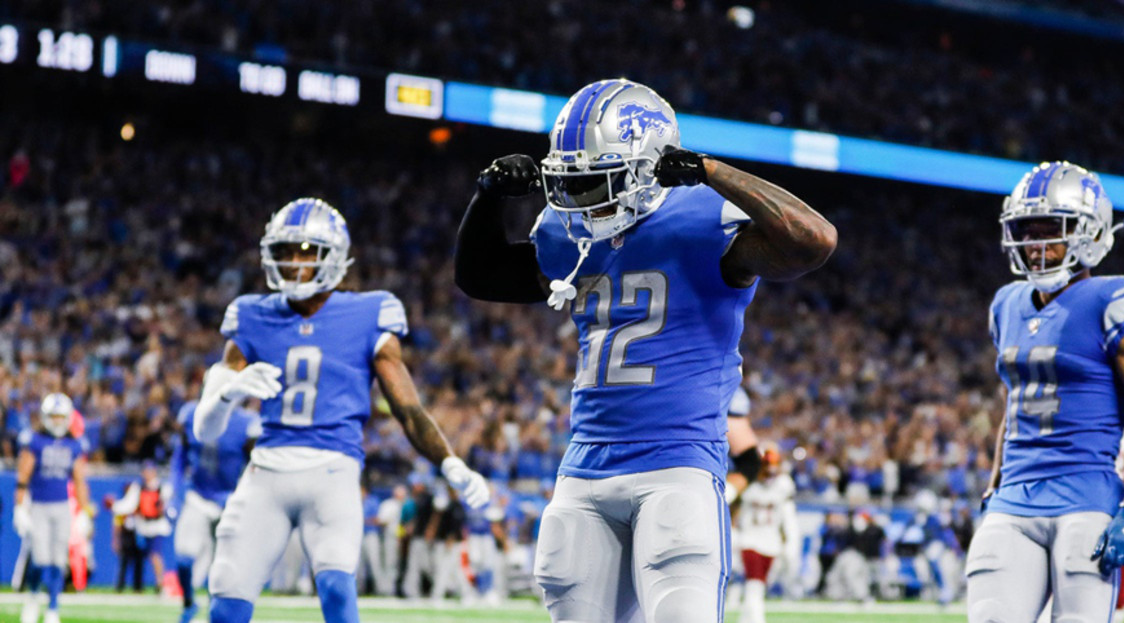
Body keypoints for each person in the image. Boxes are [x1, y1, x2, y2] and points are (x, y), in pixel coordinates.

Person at [455, 78, 836, 622]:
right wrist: (487, 196)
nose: (585, 199)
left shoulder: (702, 221)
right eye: (576, 183)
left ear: (649, 166)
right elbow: (480, 276)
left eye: (601, 181)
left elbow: (812, 241)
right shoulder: (569, 237)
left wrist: (711, 170)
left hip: (676, 467)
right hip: (584, 467)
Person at [192, 197, 488, 623]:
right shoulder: (249, 315)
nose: (295, 263)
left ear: (334, 257)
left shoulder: (369, 312)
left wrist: (450, 463)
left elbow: (408, 409)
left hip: (333, 470)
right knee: (227, 592)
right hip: (266, 472)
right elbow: (206, 430)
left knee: (335, 581)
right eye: (286, 251)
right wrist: (226, 393)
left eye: (308, 251)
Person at [965, 161, 1124, 622]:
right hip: (1015, 499)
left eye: (1052, 231)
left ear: (1090, 235)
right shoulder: (1006, 304)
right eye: (1027, 231)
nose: (1036, 246)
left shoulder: (1115, 299)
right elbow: (1017, 400)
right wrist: (994, 483)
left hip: (1086, 499)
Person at [168, 400, 260, 623]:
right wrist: (175, 489)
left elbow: (255, 462)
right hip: (198, 495)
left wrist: (247, 496)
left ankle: (214, 612)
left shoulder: (246, 422)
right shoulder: (192, 414)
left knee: (222, 566)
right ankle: (189, 602)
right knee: (183, 557)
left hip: (229, 499)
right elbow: (180, 454)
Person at [15, 393, 91, 623]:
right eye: (54, 416)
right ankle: (32, 598)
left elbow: (79, 481)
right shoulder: (35, 440)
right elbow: (23, 477)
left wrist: (85, 512)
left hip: (61, 506)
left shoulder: (74, 444)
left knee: (59, 560)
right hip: (38, 505)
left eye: (61, 416)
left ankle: (53, 608)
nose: (57, 421)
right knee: (39, 558)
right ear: (46, 417)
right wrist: (20, 507)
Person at [735, 445, 797, 623]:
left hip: (770, 542)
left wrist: (789, 543)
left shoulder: (783, 485)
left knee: (758, 587)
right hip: (751, 540)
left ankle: (747, 619)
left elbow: (788, 517)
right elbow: (738, 513)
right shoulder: (750, 484)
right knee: (754, 586)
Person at [109, 462, 172, 593]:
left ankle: (160, 584)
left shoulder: (163, 488)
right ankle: (133, 586)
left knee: (155, 555)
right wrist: (114, 505)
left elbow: (169, 507)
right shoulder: (138, 487)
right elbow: (128, 504)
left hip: (158, 526)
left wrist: (165, 509)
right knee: (137, 558)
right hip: (142, 528)